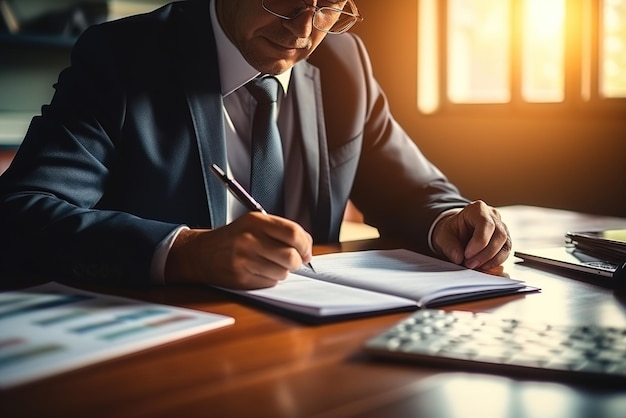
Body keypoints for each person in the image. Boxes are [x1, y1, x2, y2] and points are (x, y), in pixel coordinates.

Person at [0, 0, 511, 289]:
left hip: (310, 339)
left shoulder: (343, 63)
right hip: (163, 343)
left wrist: (452, 221)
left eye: (329, 6)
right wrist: (186, 252)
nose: (304, 30)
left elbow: (413, 190)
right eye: (283, 0)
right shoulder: (122, 57)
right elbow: (21, 213)